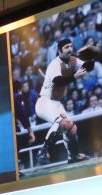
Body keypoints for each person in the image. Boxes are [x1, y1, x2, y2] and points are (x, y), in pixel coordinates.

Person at [35, 38, 90, 166]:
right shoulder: (55, 64)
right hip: (45, 102)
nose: (70, 49)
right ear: (59, 51)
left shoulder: (73, 60)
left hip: (56, 103)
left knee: (71, 128)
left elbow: (86, 67)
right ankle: (42, 152)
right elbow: (58, 81)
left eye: (71, 46)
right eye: (66, 47)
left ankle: (73, 156)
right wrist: (74, 77)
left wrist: (90, 58)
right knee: (62, 122)